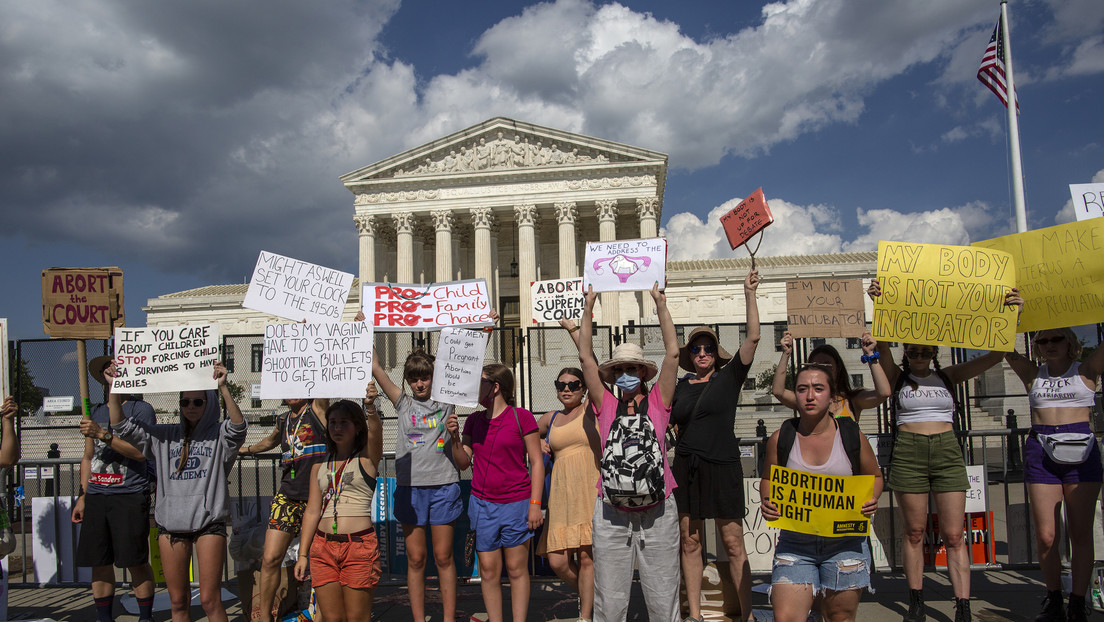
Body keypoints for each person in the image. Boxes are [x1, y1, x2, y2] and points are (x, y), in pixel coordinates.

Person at [868, 279, 1023, 622]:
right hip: (909, 450)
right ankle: (916, 602)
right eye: (913, 351)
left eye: (926, 351)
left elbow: (996, 354)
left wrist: (1013, 313)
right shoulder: (896, 377)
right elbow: (881, 342)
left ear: (935, 353)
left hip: (946, 450)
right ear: (906, 352)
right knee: (914, 531)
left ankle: (963, 604)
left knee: (954, 534)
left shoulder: (949, 376)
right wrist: (878, 304)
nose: (919, 357)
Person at [574, 283, 681, 622]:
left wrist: (660, 305)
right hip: (611, 509)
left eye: (631, 369)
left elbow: (674, 354)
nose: (624, 374)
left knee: (664, 593)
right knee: (610, 595)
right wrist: (588, 308)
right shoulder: (604, 405)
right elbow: (585, 358)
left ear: (643, 373)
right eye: (618, 370)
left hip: (659, 509)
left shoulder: (658, 403)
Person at [108, 361, 247, 622]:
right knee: (178, 601)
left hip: (209, 523)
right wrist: (114, 387)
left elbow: (239, 428)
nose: (191, 408)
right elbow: (121, 427)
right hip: (171, 526)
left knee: (209, 600)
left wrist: (223, 388)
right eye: (186, 403)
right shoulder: (164, 435)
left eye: (198, 402)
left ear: (209, 404)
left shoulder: (219, 434)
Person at [670, 269, 761, 622]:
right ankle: (694, 614)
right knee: (690, 542)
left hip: (723, 463)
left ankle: (747, 615)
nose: (703, 352)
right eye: (697, 348)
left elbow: (753, 338)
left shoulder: (729, 377)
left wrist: (749, 293)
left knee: (733, 543)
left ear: (716, 352)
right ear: (690, 353)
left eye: (709, 347)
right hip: (687, 464)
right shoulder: (678, 385)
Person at [760, 364, 883, 622]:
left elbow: (876, 477)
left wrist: (872, 498)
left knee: (839, 616)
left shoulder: (850, 434)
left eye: (818, 388)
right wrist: (767, 501)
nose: (810, 395)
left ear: (832, 396)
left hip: (845, 543)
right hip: (796, 544)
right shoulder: (781, 437)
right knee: (786, 618)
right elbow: (769, 479)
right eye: (802, 389)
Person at [1004, 327, 1104, 622]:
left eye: (1056, 338)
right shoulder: (1033, 373)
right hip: (1041, 450)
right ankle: (1054, 599)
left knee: (1080, 532)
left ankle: (1077, 602)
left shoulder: (1086, 370)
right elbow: (1003, 344)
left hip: (1081, 450)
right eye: (1042, 340)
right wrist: (1015, 315)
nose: (1049, 344)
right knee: (1047, 536)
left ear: (1070, 342)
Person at [447, 363, 544, 622]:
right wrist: (455, 438)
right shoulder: (474, 421)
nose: (472, 387)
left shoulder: (521, 417)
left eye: (479, 381)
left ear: (495, 386)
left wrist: (535, 504)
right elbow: (463, 462)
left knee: (516, 569)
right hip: (482, 506)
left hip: (517, 504)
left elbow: (536, 462)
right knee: (489, 571)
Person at [372, 347, 461, 622]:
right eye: (414, 379)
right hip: (411, 489)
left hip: (444, 485)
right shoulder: (403, 403)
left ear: (435, 378)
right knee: (416, 559)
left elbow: (465, 363)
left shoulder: (446, 402)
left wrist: (483, 333)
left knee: (444, 557)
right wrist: (366, 328)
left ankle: (448, 618)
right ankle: (418, 619)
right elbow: (376, 368)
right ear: (408, 381)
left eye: (425, 378)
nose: (419, 384)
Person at [72, 355, 156, 622]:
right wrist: (82, 496)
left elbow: (141, 453)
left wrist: (103, 435)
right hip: (97, 495)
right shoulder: (94, 412)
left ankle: (145, 616)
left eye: (116, 367)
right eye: (106, 369)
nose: (111, 371)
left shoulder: (140, 409)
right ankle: (103, 617)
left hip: (129, 495)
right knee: (99, 562)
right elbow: (88, 457)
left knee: (136, 561)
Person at [238, 395, 329, 622]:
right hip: (288, 496)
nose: (291, 393)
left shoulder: (316, 410)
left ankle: (321, 613)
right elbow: (270, 442)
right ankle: (265, 617)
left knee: (319, 560)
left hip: (318, 497)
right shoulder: (283, 420)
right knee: (270, 558)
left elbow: (323, 394)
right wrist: (246, 450)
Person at [294, 394, 384, 622]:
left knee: (357, 617)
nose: (337, 427)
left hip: (358, 547)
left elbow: (376, 435)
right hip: (322, 548)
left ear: (357, 427)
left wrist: (370, 407)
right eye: (333, 422)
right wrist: (302, 554)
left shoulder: (367, 459)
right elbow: (312, 511)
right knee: (332, 618)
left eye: (344, 422)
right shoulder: (319, 466)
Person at [536, 359, 600, 622]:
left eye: (573, 384)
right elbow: (520, 434)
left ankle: (586, 616)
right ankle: (598, 597)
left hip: (589, 489)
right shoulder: (550, 418)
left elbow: (595, 371)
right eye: (561, 385)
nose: (567, 389)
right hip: (561, 497)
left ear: (584, 388)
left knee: (587, 558)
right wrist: (538, 442)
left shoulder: (592, 409)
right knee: (558, 562)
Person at [773, 331, 891, 421]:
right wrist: (786, 354)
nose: (821, 370)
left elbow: (883, 393)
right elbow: (779, 391)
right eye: (815, 366)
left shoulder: (852, 400)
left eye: (826, 365)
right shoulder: (807, 400)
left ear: (838, 368)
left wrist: (870, 354)